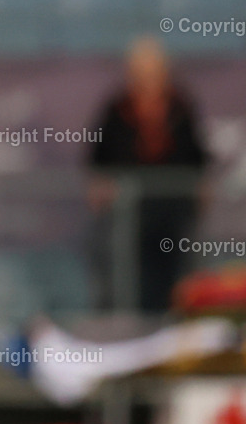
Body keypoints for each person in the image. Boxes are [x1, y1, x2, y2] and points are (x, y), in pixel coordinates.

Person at [88, 36, 210, 312]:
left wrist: (200, 186)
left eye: (153, 71)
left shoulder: (180, 106)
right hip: (129, 214)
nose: (147, 79)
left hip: (173, 212)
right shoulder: (117, 109)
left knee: (174, 274)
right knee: (130, 275)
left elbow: (197, 158)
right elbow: (99, 158)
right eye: (140, 72)